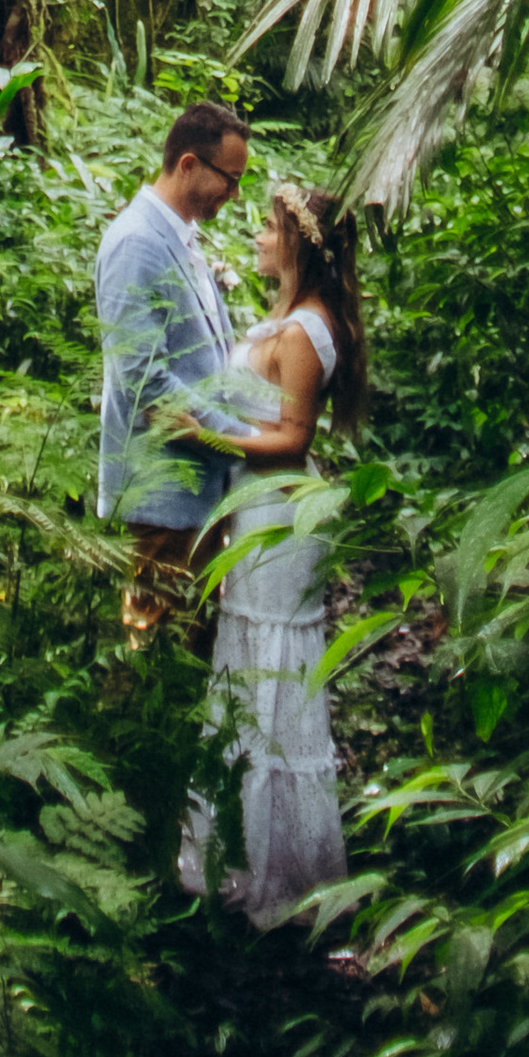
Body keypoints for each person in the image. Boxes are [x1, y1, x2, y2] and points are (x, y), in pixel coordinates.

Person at [175, 178, 368, 926]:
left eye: (266, 226)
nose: (255, 235)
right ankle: (241, 850)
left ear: (296, 243)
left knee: (272, 672)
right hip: (252, 513)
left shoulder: (305, 332)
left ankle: (276, 868)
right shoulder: (287, 318)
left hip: (279, 517)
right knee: (246, 665)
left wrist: (202, 435)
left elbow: (292, 441)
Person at [94, 100, 250, 640]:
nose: (234, 193)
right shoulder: (137, 243)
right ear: (188, 164)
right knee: (157, 650)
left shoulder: (178, 235)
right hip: (162, 498)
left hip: (199, 489)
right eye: (229, 179)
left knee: (194, 642)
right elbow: (144, 381)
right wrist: (244, 440)